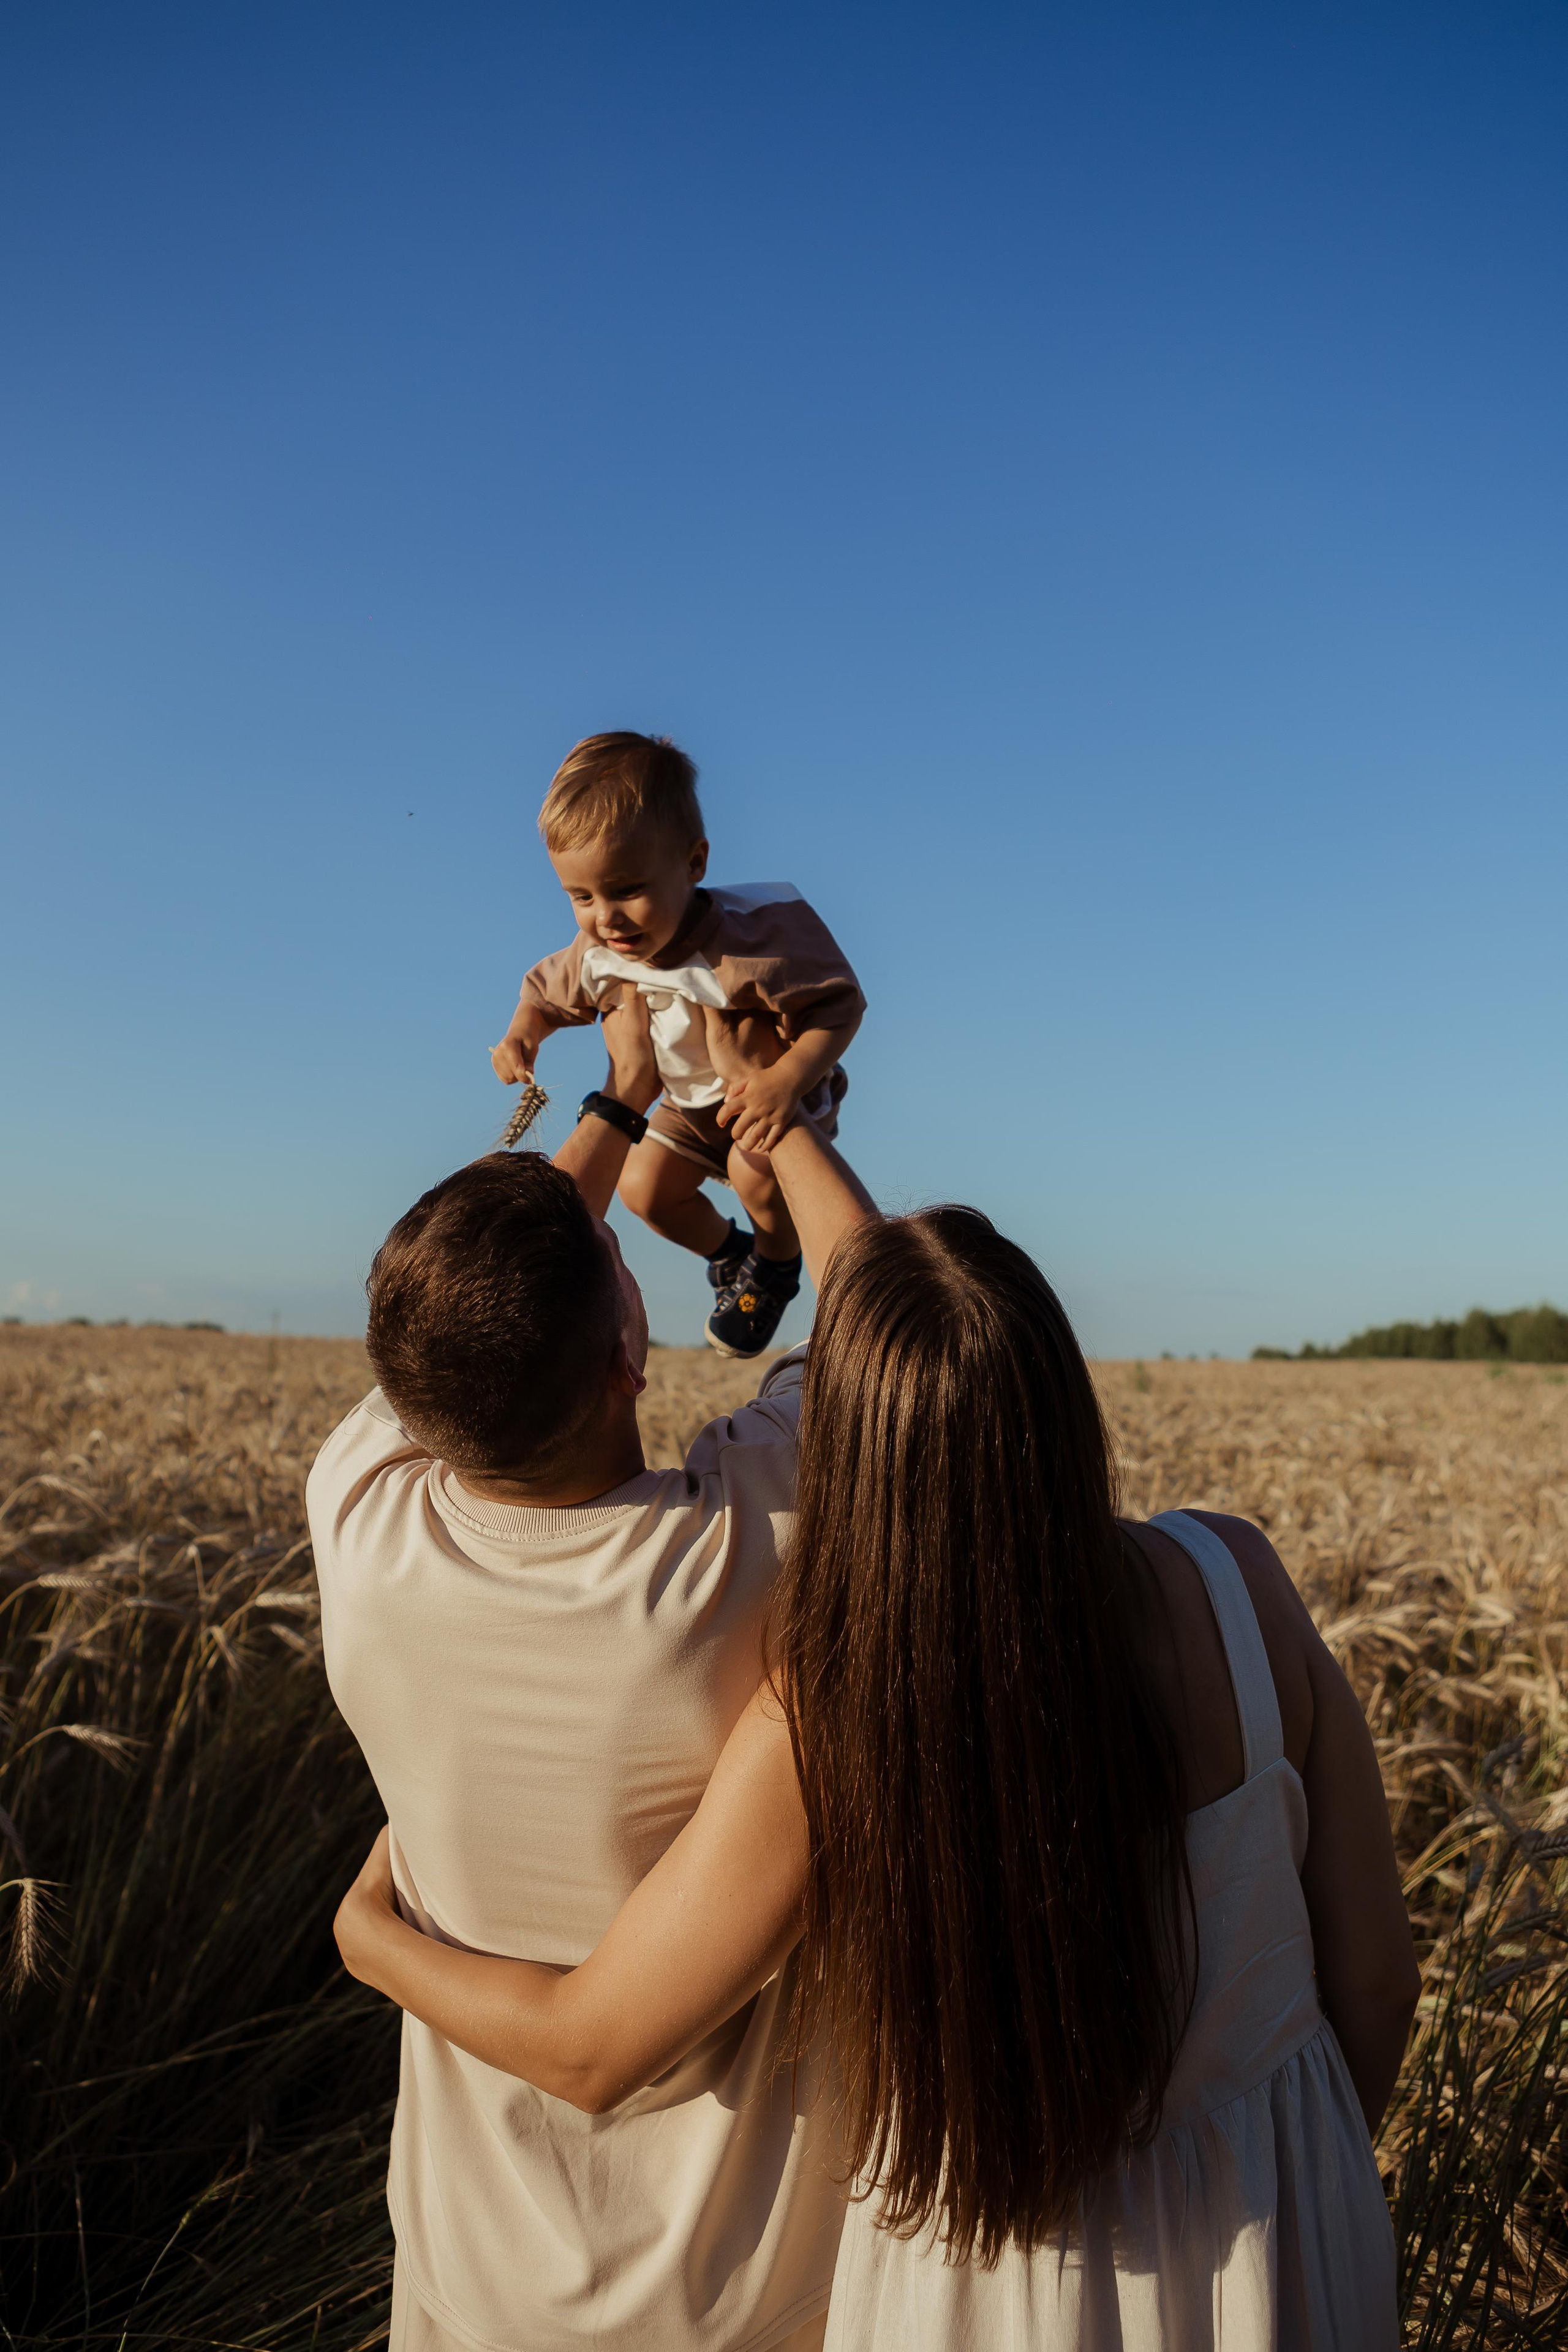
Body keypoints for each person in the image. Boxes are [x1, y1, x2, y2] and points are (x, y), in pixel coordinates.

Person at [335, 1158, 1422, 2347]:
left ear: (851, 1462)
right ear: (1064, 1394)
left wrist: (369, 1940)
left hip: (1007, 2292)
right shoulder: (1238, 1586)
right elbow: (1373, 1986)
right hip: (1289, 2231)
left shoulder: (835, 1715)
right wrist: (1289, 2179)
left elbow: (592, 2042)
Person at [307, 990, 878, 2352]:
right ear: (630, 1357)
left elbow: (468, 1317)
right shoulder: (751, 1545)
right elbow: (882, 1325)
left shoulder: (363, 1515)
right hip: (738, 2287)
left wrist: (618, 1098)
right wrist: (769, 1107)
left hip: (470, 2261)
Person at [489, 731, 864, 1357]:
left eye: (627, 889)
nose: (605, 917)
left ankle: (774, 1265)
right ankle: (732, 1252)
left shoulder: (752, 942)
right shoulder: (601, 955)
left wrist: (787, 1078)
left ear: (694, 864)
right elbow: (544, 992)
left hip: (772, 1095)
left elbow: (839, 1003)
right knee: (643, 1190)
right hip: (688, 1107)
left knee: (755, 1170)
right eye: (581, 897)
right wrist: (520, 1036)